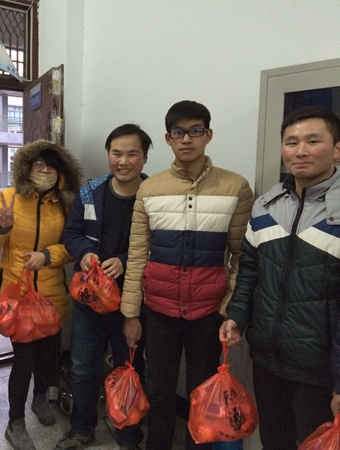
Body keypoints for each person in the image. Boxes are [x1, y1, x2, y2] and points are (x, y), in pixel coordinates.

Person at [121, 101, 254, 450]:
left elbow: (242, 256)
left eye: (195, 130)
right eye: (178, 132)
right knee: (160, 393)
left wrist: (229, 307)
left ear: (208, 134)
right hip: (158, 311)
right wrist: (131, 314)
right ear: (168, 138)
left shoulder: (235, 186)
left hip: (208, 313)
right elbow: (137, 254)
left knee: (204, 397)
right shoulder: (150, 189)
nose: (187, 139)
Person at [222, 106, 340, 449]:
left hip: (320, 369)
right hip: (267, 359)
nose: (300, 151)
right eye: (291, 142)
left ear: (337, 149)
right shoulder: (266, 206)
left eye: (313, 141)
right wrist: (237, 316)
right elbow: (250, 271)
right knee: (274, 440)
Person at [0, 140, 81, 450]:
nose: (45, 171)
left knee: (48, 356)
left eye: (51, 166)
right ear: (27, 167)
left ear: (61, 172)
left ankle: (40, 398)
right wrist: (2, 228)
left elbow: (72, 246)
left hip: (51, 294)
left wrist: (47, 256)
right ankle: (15, 423)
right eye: (39, 164)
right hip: (17, 295)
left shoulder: (65, 204)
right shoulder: (7, 198)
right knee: (24, 360)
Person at [57, 124, 151, 450]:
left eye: (132, 154)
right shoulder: (90, 192)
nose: (123, 161)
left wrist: (124, 261)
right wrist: (84, 252)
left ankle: (128, 436)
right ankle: (82, 429)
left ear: (144, 157)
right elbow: (71, 234)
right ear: (108, 155)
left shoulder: (155, 195)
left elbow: (162, 244)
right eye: (116, 153)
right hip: (90, 301)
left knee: (130, 369)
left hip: (132, 303)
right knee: (82, 368)